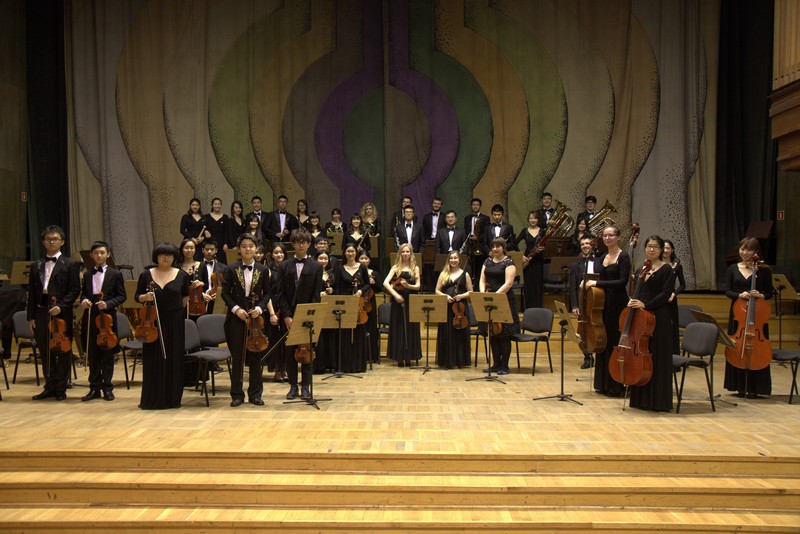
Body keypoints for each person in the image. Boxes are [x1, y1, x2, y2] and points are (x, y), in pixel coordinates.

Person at [221, 234, 278, 407]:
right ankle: (237, 394)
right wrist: (236, 309)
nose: (247, 249)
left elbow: (268, 293)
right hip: (237, 317)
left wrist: (260, 308)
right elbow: (225, 293)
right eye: (244, 246)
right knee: (238, 357)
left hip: (255, 318)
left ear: (256, 249)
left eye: (251, 246)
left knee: (255, 355)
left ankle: (255, 394)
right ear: (239, 249)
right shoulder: (231, 269)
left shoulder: (263, 269)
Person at [29, 226, 81, 402]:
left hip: (61, 313)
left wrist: (62, 306)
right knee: (45, 351)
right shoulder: (36, 265)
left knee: (63, 351)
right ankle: (49, 387)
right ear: (43, 242)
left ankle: (61, 387)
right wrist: (31, 316)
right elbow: (32, 292)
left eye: (55, 239)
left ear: (62, 242)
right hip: (41, 311)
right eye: (48, 239)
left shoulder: (71, 264)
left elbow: (75, 289)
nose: (51, 242)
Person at [135, 242, 189, 410]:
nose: (166, 257)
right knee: (153, 358)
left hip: (174, 321)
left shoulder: (182, 275)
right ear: (156, 257)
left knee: (173, 357)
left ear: (174, 257)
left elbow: (185, 298)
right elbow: (137, 296)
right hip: (152, 321)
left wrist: (175, 312)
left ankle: (172, 399)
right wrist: (145, 297)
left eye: (169, 254)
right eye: (162, 254)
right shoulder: (146, 275)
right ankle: (152, 398)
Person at [627, 236, 676, 412]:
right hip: (642, 318)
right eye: (649, 246)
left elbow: (666, 294)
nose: (652, 249)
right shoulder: (641, 269)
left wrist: (646, 305)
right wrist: (632, 300)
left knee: (657, 357)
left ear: (661, 250)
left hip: (659, 317)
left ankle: (658, 401)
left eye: (655, 247)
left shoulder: (667, 269)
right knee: (642, 355)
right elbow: (637, 291)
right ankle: (641, 399)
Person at [275, 229, 324, 400]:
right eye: (297, 242)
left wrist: (309, 315)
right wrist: (286, 315)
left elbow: (316, 294)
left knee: (307, 351)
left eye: (303, 242)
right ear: (293, 244)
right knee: (290, 351)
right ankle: (293, 386)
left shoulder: (316, 266)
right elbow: (280, 293)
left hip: (307, 315)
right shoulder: (284, 265)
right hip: (289, 314)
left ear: (309, 244)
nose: (300, 245)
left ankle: (306, 387)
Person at [723, 237, 774, 398]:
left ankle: (756, 387)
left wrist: (760, 295)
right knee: (737, 346)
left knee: (757, 347)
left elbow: (769, 293)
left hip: (757, 315)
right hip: (738, 314)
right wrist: (739, 294)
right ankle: (738, 386)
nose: (745, 253)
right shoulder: (732, 269)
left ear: (756, 252)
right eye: (742, 249)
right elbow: (727, 291)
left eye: (749, 250)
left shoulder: (764, 270)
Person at [584, 225, 631, 396]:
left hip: (618, 303)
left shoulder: (623, 257)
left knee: (615, 341)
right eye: (605, 235)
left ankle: (617, 385)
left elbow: (622, 282)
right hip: (603, 303)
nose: (607, 238)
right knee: (604, 340)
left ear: (618, 237)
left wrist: (596, 283)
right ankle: (603, 383)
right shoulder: (603, 257)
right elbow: (599, 279)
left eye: (611, 235)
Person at [78, 241, 127, 402]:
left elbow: (122, 296)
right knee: (92, 354)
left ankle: (107, 387)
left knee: (107, 354)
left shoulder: (115, 274)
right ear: (91, 255)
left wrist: (108, 304)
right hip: (91, 316)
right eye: (96, 253)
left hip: (107, 318)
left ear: (108, 255)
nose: (99, 255)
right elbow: (84, 294)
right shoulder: (87, 275)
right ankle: (94, 388)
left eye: (102, 253)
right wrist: (84, 300)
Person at [479, 237, 519, 375]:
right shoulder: (487, 261)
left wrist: (496, 296)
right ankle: (495, 364)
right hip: (489, 300)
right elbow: (482, 280)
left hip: (504, 300)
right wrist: (483, 293)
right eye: (493, 246)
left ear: (503, 247)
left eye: (498, 246)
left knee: (504, 335)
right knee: (493, 333)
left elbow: (508, 283)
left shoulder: (509, 262)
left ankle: (504, 366)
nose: (495, 249)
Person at [333, 243, 370, 373]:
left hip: (358, 303)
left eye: (352, 251)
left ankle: (358, 365)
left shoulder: (362, 267)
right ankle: (345, 365)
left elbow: (367, 285)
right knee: (345, 334)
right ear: (344, 253)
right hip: (345, 304)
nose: (350, 253)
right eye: (348, 251)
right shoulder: (340, 268)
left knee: (359, 332)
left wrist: (360, 291)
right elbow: (337, 288)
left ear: (356, 253)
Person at [383, 243, 422, 366]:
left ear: (411, 253)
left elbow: (418, 286)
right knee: (399, 327)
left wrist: (408, 285)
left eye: (407, 251)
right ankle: (399, 357)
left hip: (411, 300)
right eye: (403, 252)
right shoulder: (396, 268)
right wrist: (395, 295)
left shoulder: (415, 268)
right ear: (400, 254)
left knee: (410, 327)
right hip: (398, 300)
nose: (405, 254)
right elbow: (385, 283)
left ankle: (409, 356)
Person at [435, 251, 473, 368]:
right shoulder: (443, 274)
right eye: (451, 258)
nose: (453, 260)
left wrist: (461, 296)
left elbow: (470, 292)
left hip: (460, 308)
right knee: (447, 333)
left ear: (459, 260)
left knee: (459, 334)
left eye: (455, 258)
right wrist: (445, 296)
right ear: (448, 260)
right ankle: (447, 360)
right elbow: (437, 291)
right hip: (447, 307)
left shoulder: (465, 274)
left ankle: (459, 360)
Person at [569, 235, 600, 369]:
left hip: (598, 300)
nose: (585, 246)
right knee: (583, 331)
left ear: (592, 245)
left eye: (587, 243)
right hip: (583, 302)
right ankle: (587, 356)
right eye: (582, 244)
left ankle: (600, 354)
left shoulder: (600, 262)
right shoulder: (575, 265)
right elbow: (573, 287)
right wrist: (575, 305)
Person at [266, 243, 288, 382]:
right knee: (276, 341)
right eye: (276, 252)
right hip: (273, 307)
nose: (279, 255)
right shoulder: (268, 270)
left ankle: (285, 369)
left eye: (281, 252)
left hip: (286, 306)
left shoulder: (288, 267)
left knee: (286, 341)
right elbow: (267, 293)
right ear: (271, 255)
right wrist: (272, 313)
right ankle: (277, 370)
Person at [516, 211, 545, 309]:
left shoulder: (542, 231)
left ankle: (538, 308)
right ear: (528, 219)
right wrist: (521, 256)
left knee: (538, 284)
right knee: (528, 284)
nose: (533, 220)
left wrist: (543, 248)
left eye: (535, 218)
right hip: (527, 260)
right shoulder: (524, 231)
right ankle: (528, 308)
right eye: (531, 218)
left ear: (538, 219)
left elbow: (547, 246)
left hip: (538, 260)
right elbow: (515, 243)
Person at [663, 240, 686, 355]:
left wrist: (674, 293)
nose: (665, 250)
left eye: (668, 248)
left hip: (670, 299)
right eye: (663, 248)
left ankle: (673, 356)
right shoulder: (656, 263)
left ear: (672, 250)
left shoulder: (677, 266)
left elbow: (683, 285)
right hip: (658, 297)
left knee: (672, 327)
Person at [358, 250, 380, 365]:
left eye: (366, 258)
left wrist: (374, 283)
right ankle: (360, 354)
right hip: (359, 302)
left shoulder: (374, 273)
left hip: (370, 302)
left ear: (369, 260)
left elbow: (380, 288)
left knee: (371, 328)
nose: (363, 260)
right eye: (361, 258)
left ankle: (372, 355)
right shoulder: (356, 272)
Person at [463, 198, 490, 275]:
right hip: (470, 244)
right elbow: (465, 230)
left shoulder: (485, 218)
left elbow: (487, 233)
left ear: (480, 206)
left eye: (477, 205)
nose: (475, 206)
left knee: (479, 265)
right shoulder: (467, 218)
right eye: (473, 205)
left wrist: (477, 238)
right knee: (470, 265)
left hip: (480, 245)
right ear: (471, 206)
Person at [202, 198, 228, 263]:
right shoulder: (206, 217)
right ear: (212, 205)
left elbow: (227, 232)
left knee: (222, 262)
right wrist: (205, 231)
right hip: (210, 242)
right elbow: (202, 228)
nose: (217, 206)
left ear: (221, 205)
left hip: (222, 243)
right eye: (215, 204)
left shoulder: (225, 217)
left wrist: (226, 243)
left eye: (219, 204)